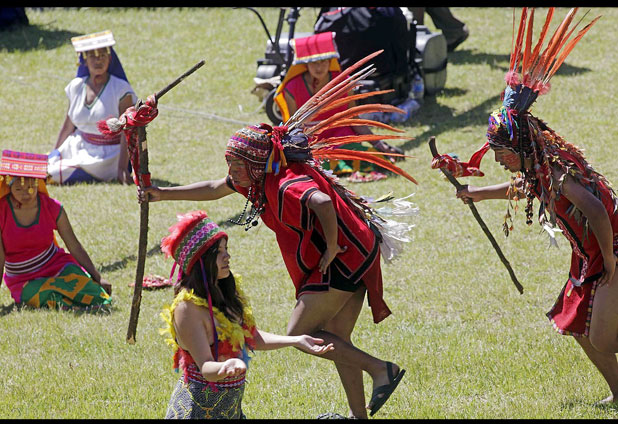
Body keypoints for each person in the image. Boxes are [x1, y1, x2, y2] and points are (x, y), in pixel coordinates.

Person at [141, 53, 416, 418]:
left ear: (254, 165)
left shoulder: (283, 183)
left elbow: (320, 201)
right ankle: (359, 416)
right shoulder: (257, 177)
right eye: (230, 165)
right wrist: (161, 192)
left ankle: (381, 369)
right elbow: (213, 186)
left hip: (344, 255)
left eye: (235, 166)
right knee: (336, 339)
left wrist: (332, 245)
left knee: (302, 332)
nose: (230, 172)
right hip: (356, 250)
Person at [433, 8, 618, 404]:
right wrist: (476, 194)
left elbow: (598, 213)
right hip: (590, 256)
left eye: (502, 152)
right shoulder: (537, 164)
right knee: (577, 325)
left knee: (603, 336)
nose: (498, 159)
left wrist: (611, 264)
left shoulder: (556, 171)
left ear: (518, 146)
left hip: (610, 249)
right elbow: (521, 189)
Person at [160, 210, 334, 419]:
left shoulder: (224, 292)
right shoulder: (186, 308)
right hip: (195, 411)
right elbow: (206, 367)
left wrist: (296, 340)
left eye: (227, 249)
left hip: (229, 409)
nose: (227, 256)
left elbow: (251, 337)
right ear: (201, 260)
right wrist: (226, 366)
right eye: (219, 252)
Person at [274, 31, 405, 183]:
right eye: (314, 63)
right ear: (305, 64)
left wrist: (379, 144)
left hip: (340, 135)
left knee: (358, 153)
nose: (319, 67)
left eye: (324, 62)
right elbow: (292, 127)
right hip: (309, 138)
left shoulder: (343, 83)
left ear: (330, 62)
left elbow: (353, 118)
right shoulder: (292, 87)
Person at [0, 150, 112, 310]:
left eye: (31, 188)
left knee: (91, 290)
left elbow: (74, 245)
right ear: (9, 186)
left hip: (57, 266)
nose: (25, 194)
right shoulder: (1, 211)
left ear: (38, 184)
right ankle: (70, 302)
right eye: (18, 189)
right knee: (40, 294)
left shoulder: (52, 207)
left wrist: (97, 277)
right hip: (23, 279)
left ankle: (76, 297)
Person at [48, 30, 136, 185]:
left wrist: (122, 168)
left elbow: (128, 130)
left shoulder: (121, 89)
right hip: (78, 145)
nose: (98, 61)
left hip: (106, 156)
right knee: (44, 163)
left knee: (52, 174)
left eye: (102, 56)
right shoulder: (76, 86)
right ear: (84, 60)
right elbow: (69, 124)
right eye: (93, 56)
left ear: (110, 59)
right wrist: (55, 152)